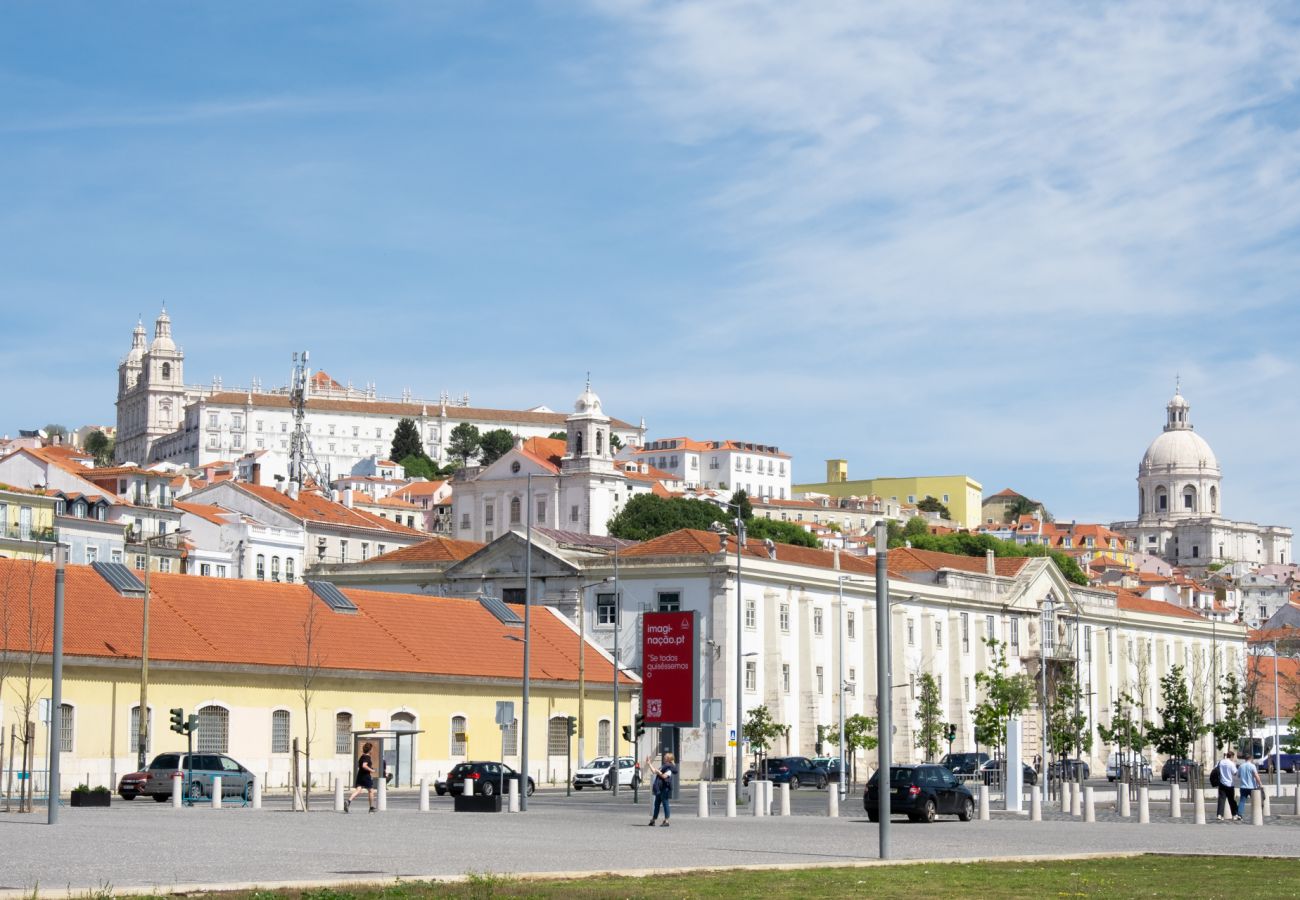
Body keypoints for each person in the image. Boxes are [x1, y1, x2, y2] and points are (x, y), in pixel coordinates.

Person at [646, 751, 677, 827]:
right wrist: (649, 763)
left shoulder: (669, 768)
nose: (664, 757)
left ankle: (666, 821)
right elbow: (654, 771)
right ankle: (653, 819)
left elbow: (664, 776)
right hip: (659, 788)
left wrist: (658, 772)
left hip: (664, 788)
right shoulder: (663, 766)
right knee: (656, 804)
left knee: (665, 804)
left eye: (665, 757)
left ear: (669, 759)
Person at [346, 742, 377, 813]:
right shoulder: (367, 757)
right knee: (371, 790)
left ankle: (348, 801)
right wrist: (371, 770)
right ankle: (371, 807)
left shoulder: (362, 756)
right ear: (369, 750)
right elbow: (364, 765)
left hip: (360, 775)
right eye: (371, 749)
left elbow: (360, 765)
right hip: (366, 776)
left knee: (358, 790)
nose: (372, 750)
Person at [1215, 749, 1239, 822]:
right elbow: (1235, 773)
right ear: (1231, 756)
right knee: (1231, 800)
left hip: (1221, 783)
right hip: (1229, 784)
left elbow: (1215, 768)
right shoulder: (1231, 764)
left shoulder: (1221, 762)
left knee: (1221, 800)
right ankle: (1234, 815)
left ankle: (1219, 814)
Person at [1238, 752, 1260, 817]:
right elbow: (1256, 776)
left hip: (1243, 786)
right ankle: (1256, 814)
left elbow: (1238, 775)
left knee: (1242, 801)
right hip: (1252, 787)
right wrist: (1260, 783)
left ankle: (1239, 815)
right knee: (1255, 801)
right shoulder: (1252, 766)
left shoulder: (1241, 766)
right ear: (1251, 758)